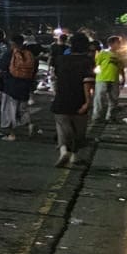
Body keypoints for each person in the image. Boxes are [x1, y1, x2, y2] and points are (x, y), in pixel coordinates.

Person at [51, 33, 96, 166]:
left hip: (61, 98)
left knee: (62, 127)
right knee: (78, 132)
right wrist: (88, 102)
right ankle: (74, 155)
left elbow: (56, 77)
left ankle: (64, 151)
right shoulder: (87, 61)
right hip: (79, 99)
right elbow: (87, 82)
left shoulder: (61, 59)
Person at [1, 34, 38, 141]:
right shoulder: (30, 55)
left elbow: (2, 68)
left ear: (13, 43)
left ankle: (11, 134)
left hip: (11, 85)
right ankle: (29, 124)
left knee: (10, 110)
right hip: (25, 85)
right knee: (22, 109)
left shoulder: (9, 54)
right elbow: (34, 71)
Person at [95, 36, 124, 122]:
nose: (119, 44)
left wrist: (123, 77)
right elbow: (97, 64)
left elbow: (121, 67)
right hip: (102, 79)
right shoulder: (103, 53)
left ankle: (111, 117)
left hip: (114, 79)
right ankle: (97, 117)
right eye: (118, 42)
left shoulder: (119, 55)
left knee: (114, 99)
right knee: (99, 99)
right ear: (111, 44)